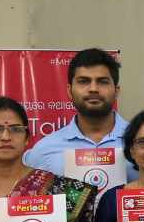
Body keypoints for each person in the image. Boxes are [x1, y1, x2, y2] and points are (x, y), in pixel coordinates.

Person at [24, 47, 136, 182]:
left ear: (116, 91)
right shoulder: (44, 150)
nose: (93, 89)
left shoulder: (141, 143)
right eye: (84, 81)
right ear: (70, 91)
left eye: (102, 81)